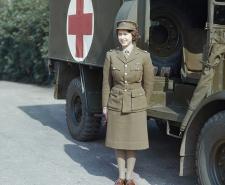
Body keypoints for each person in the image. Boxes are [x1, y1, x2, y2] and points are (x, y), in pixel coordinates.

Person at [102, 20, 154, 185]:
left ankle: (130, 176)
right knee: (119, 141)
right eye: (120, 34)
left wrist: (143, 103)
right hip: (116, 102)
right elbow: (106, 83)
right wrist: (105, 106)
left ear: (133, 35)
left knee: (132, 142)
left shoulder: (144, 56)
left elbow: (149, 83)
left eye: (126, 34)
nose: (122, 38)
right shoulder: (111, 55)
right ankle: (121, 177)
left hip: (136, 104)